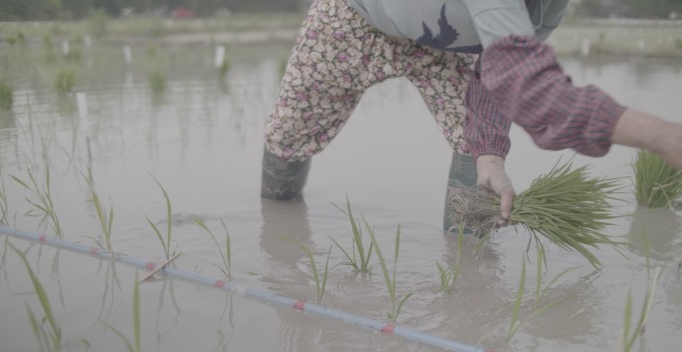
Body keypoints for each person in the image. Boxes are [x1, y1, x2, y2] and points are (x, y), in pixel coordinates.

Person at [261, 0, 682, 231]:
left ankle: (466, 276)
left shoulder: (547, 8)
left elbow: (499, 74)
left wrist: (490, 156)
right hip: (353, 19)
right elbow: (536, 94)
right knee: (289, 133)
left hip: (446, 50)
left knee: (475, 144)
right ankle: (276, 221)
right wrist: (662, 135)